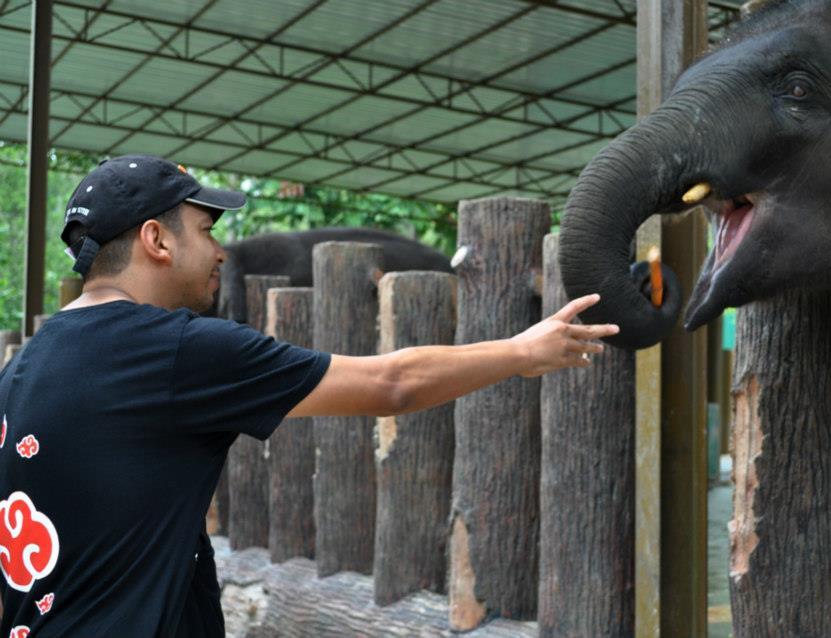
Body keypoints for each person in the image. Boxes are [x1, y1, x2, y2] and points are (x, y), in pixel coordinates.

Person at [0, 155, 618, 636]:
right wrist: (523, 351)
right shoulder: (175, 350)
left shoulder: (26, 365)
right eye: (206, 230)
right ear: (157, 240)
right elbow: (391, 384)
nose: (219, 251)